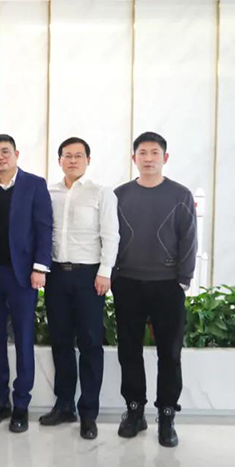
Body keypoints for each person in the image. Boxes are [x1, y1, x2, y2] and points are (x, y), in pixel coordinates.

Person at [112, 131, 196, 448]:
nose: (148, 158)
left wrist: (183, 279)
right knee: (129, 350)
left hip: (167, 286)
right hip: (127, 283)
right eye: (143, 153)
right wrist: (113, 276)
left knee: (169, 354)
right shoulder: (119, 195)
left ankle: (167, 414)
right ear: (134, 158)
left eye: (155, 152)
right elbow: (110, 237)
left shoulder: (180, 195)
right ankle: (135, 410)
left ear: (165, 157)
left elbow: (189, 239)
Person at [41, 137, 119, 440]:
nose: (72, 160)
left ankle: (88, 413)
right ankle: (64, 405)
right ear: (59, 160)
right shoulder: (49, 193)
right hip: (56, 275)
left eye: (78, 155)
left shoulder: (101, 193)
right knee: (60, 341)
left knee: (89, 344)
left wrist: (105, 272)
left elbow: (110, 235)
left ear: (88, 159)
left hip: (89, 277)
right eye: (67, 156)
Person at [0, 134, 52, 433]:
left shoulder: (34, 184)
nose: (0, 157)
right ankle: (1, 401)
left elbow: (44, 228)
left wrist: (40, 268)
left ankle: (21, 404)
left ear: (16, 154)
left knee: (23, 339)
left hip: (22, 275)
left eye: (5, 152)